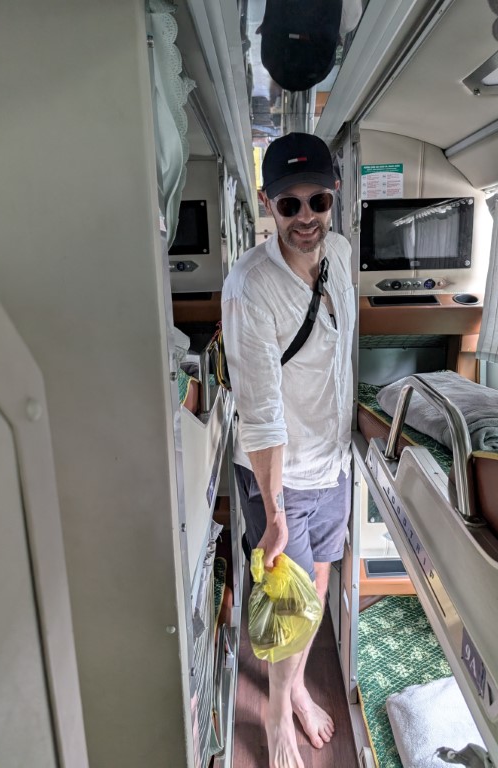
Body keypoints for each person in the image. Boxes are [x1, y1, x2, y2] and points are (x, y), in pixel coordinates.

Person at [221, 132, 354, 768]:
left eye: (317, 201)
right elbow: (261, 411)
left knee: (318, 582)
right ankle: (275, 712)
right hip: (282, 477)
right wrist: (273, 513)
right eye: (289, 204)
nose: (306, 218)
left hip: (333, 463)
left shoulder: (342, 255)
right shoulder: (249, 287)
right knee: (287, 605)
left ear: (334, 196)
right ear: (266, 203)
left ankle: (297, 686)